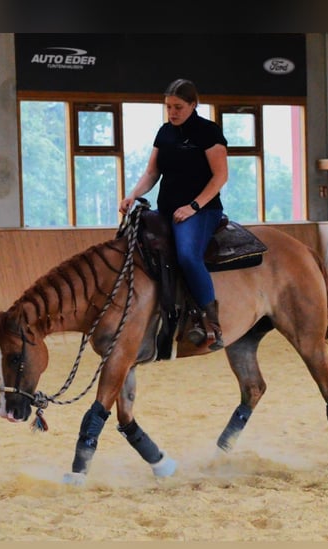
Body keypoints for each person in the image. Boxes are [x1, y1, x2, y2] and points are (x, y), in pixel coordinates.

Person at [119, 78, 228, 350]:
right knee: (132, 243)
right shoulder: (164, 132)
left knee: (188, 256)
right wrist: (132, 195)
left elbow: (220, 176)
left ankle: (211, 322)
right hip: (166, 209)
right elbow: (152, 172)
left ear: (193, 104)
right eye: (168, 107)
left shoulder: (208, 132)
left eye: (178, 106)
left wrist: (194, 206)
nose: (173, 112)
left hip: (201, 211)